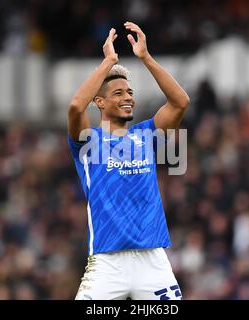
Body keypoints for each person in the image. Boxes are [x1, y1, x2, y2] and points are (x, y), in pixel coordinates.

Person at [67, 21, 190, 300]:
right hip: (108, 264)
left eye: (131, 93)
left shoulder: (147, 134)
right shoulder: (88, 140)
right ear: (99, 102)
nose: (128, 98)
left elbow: (180, 102)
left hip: (153, 261)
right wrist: (109, 61)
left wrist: (145, 57)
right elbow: (76, 105)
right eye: (119, 93)